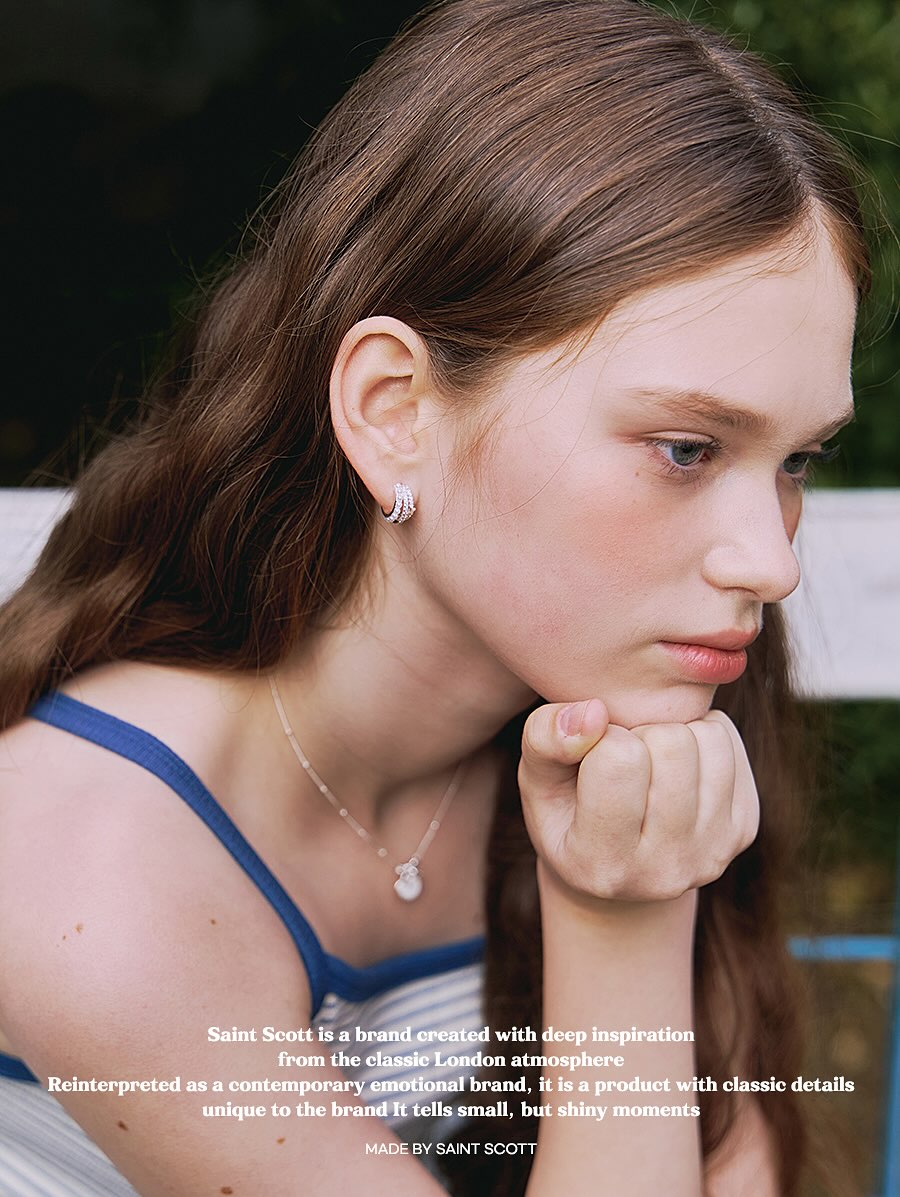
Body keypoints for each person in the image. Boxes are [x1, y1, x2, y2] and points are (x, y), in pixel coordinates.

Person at [0, 0, 869, 1194]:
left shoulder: (606, 736)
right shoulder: (88, 856)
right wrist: (622, 920)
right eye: (685, 449)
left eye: (797, 460)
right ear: (396, 411)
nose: (771, 563)